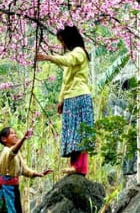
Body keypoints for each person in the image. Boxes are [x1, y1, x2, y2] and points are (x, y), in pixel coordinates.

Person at [35, 25, 94, 176]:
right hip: (70, 97)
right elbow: (65, 81)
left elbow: (68, 60)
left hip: (80, 96)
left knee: (80, 131)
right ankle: (75, 165)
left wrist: (50, 58)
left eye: (62, 40)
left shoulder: (79, 52)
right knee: (72, 132)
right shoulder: (73, 54)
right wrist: (61, 100)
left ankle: (81, 167)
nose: (62, 44)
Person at [0, 127, 52, 213]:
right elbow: (13, 152)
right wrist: (23, 138)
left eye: (15, 133)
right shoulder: (6, 151)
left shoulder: (17, 154)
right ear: (4, 139)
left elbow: (24, 170)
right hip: (6, 188)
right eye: (12, 133)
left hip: (13, 187)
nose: (15, 135)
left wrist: (38, 174)